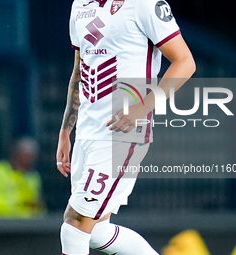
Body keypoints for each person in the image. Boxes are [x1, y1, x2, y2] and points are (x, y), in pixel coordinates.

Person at [56, 0, 195, 254]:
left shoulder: (145, 4)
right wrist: (66, 131)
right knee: (97, 231)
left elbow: (185, 62)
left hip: (122, 135)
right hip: (87, 132)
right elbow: (79, 70)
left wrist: (143, 108)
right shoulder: (80, 5)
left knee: (74, 224)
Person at [0, 137, 46, 218]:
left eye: (32, 157)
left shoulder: (33, 177)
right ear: (16, 155)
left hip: (27, 226)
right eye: (26, 156)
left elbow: (38, 209)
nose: (30, 161)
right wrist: (18, 202)